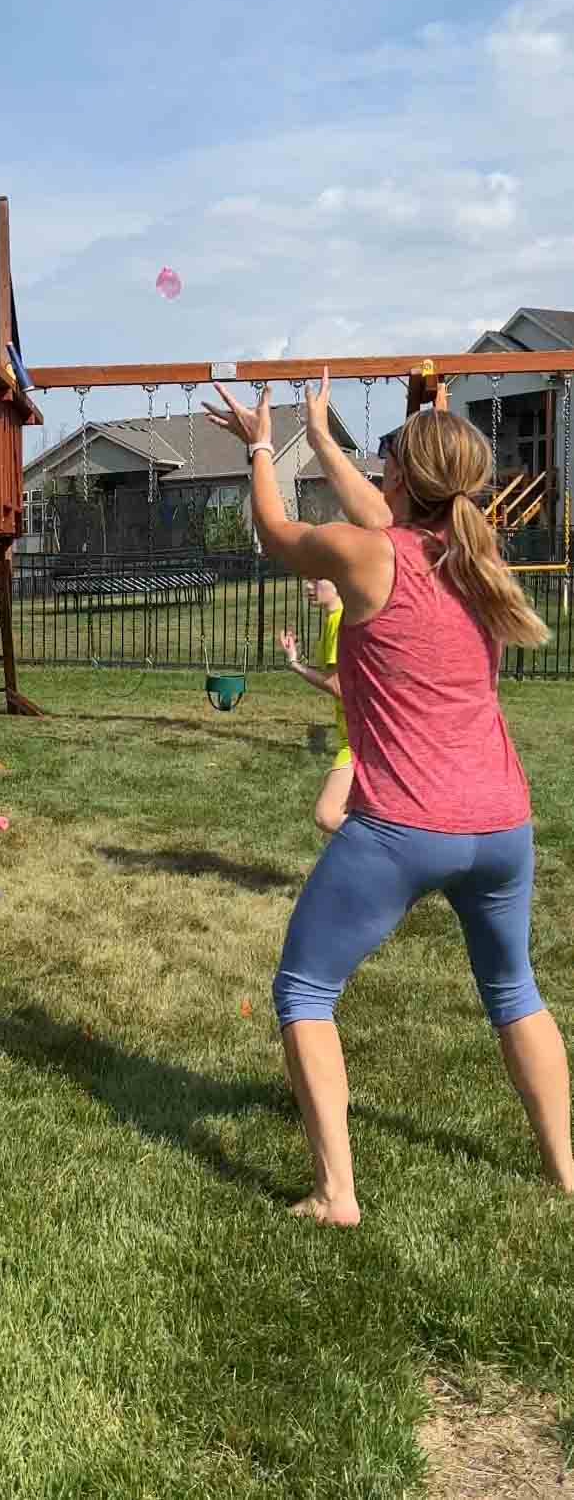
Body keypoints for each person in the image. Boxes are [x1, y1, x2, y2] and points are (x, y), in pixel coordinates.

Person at [205, 371, 574, 1225]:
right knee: (515, 989)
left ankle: (338, 1194)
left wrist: (264, 443)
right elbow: (382, 519)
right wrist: (324, 434)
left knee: (304, 991)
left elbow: (276, 528)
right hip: (504, 825)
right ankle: (564, 1174)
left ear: (400, 480)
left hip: (407, 826)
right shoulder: (476, 562)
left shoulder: (372, 557)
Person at [278, 578, 353, 834]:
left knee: (328, 816)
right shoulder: (335, 618)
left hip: (362, 741)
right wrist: (294, 660)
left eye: (316, 580)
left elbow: (337, 686)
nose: (308, 587)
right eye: (306, 580)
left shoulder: (340, 620)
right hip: (354, 736)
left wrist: (295, 666)